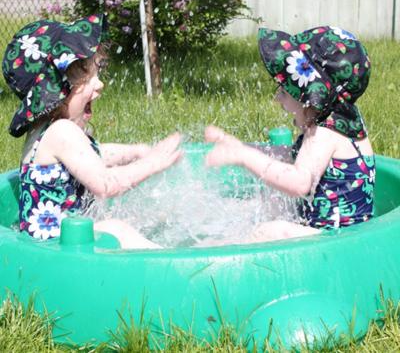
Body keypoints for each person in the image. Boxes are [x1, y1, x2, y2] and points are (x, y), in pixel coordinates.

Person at [2, 14, 182, 249]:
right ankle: (177, 269)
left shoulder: (47, 131)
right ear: (56, 90)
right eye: (87, 77)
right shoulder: (61, 131)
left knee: (135, 220)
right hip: (56, 250)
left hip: (60, 244)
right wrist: (154, 163)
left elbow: (93, 155)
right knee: (116, 228)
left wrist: (135, 152)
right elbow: (106, 184)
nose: (99, 84)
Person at [205, 26, 375, 243]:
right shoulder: (342, 119)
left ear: (313, 98)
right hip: (346, 236)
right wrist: (240, 147)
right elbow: (292, 156)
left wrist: (243, 157)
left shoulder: (324, 133)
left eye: (285, 92)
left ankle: (217, 262)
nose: (278, 99)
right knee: (272, 201)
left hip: (338, 242)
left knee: (271, 232)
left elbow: (298, 183)